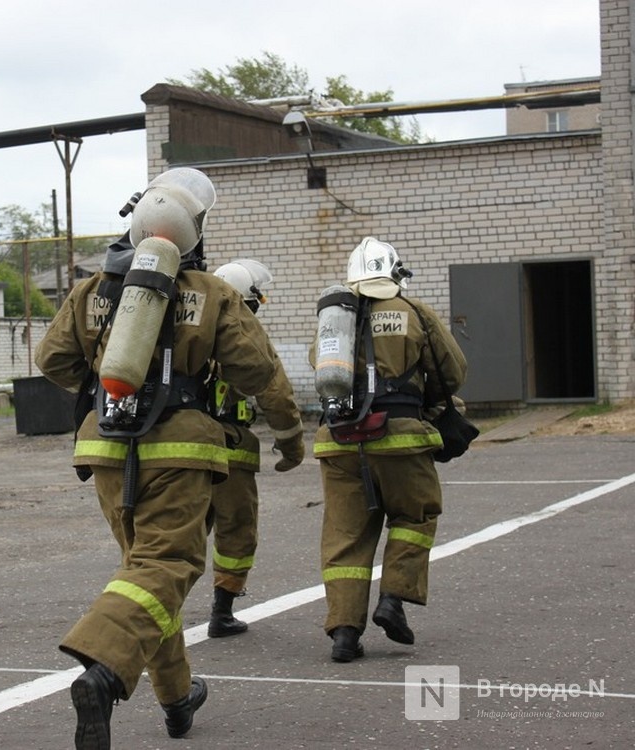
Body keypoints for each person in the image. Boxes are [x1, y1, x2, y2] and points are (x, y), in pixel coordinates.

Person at [36, 168, 302, 749]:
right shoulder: (210, 291)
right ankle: (101, 670)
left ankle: (177, 698)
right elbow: (257, 372)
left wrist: (106, 376)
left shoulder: (93, 291)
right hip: (181, 448)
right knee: (164, 568)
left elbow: (52, 360)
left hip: (107, 445)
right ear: (193, 231)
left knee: (147, 572)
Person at [308, 237, 467, 663]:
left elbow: (319, 369)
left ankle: (344, 633)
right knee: (415, 516)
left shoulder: (333, 319)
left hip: (339, 441)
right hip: (400, 439)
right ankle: (393, 599)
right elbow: (453, 374)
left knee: (345, 537)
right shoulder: (414, 312)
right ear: (395, 274)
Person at [206, 259, 305, 638]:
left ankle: (157, 608)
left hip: (175, 447)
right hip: (229, 449)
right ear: (252, 303)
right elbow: (276, 395)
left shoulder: (188, 328)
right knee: (236, 530)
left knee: (177, 532)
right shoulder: (247, 335)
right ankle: (222, 610)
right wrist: (291, 447)